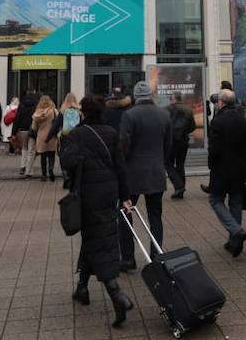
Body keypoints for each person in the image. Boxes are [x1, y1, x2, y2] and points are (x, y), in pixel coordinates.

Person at [61, 95, 135, 326]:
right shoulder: (111, 133)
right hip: (109, 192)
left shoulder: (77, 134)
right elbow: (121, 166)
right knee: (95, 235)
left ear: (83, 112)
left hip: (87, 195)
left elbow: (66, 162)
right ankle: (82, 288)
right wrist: (125, 196)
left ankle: (116, 294)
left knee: (96, 238)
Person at [117, 80, 171, 271]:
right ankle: (157, 256)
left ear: (135, 97)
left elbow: (123, 145)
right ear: (151, 95)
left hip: (132, 174)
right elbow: (168, 145)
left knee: (124, 213)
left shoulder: (129, 115)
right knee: (155, 215)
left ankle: (128, 259)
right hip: (156, 172)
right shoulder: (164, 114)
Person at [206, 89, 246, 257]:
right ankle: (235, 242)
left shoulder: (217, 122)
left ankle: (236, 231)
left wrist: (211, 166)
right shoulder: (245, 121)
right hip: (240, 170)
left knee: (215, 200)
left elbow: (214, 149)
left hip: (221, 169)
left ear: (221, 103)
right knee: (236, 203)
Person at [166, 94, 195, 199]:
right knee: (180, 164)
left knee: (168, 163)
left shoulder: (168, 110)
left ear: (174, 99)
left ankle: (179, 186)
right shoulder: (188, 110)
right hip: (183, 141)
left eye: (171, 99)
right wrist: (184, 132)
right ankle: (180, 191)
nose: (169, 100)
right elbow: (193, 126)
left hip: (171, 141)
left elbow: (165, 125)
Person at [27, 95, 58, 181]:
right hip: (52, 136)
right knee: (52, 154)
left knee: (43, 156)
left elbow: (34, 127)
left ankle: (44, 175)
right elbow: (57, 123)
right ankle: (51, 169)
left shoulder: (37, 113)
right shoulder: (54, 111)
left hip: (41, 136)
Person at [14, 89, 39, 175]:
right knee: (31, 150)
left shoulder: (21, 104)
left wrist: (14, 132)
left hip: (23, 129)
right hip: (32, 130)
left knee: (24, 148)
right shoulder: (36, 104)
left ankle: (22, 166)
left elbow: (17, 118)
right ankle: (29, 169)